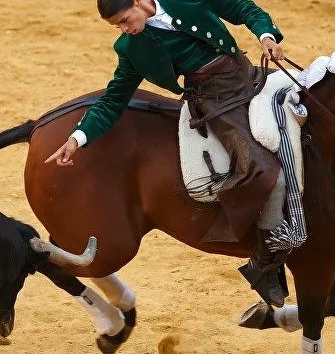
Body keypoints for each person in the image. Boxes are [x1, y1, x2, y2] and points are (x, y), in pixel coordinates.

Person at [45, 0, 289, 308]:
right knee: (259, 167)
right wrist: (78, 138)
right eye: (117, 26)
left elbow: (242, 8)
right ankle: (265, 264)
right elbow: (113, 101)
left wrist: (266, 37)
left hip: (249, 76)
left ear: (139, 2)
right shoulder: (131, 48)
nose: (125, 29)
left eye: (124, 20)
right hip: (215, 103)